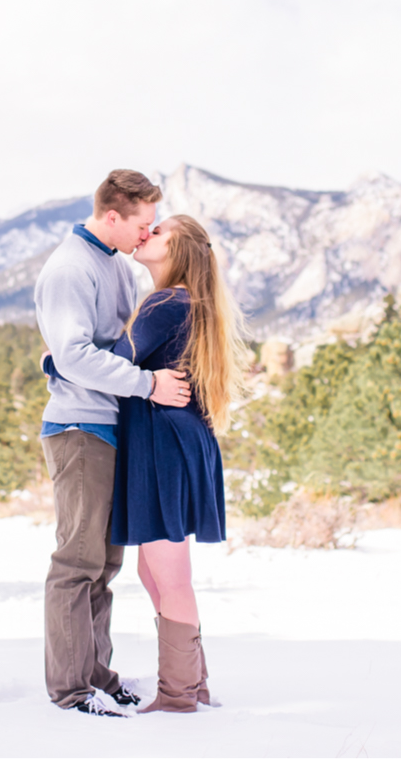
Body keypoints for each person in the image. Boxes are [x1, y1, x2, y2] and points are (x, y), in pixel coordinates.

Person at [34, 169, 193, 718]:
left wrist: (60, 362)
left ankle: (97, 675)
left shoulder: (116, 265)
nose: (146, 234)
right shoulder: (71, 268)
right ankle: (70, 690)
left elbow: (114, 346)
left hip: (112, 426)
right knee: (77, 562)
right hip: (81, 427)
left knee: (103, 565)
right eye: (142, 224)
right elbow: (76, 354)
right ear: (111, 216)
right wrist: (148, 385)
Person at [107, 214, 246, 713]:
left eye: (159, 231)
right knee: (153, 572)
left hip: (163, 447)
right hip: (175, 442)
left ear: (179, 250)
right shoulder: (186, 301)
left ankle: (179, 694)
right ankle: (193, 683)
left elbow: (115, 361)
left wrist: (54, 359)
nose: (148, 234)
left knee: (169, 576)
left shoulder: (166, 303)